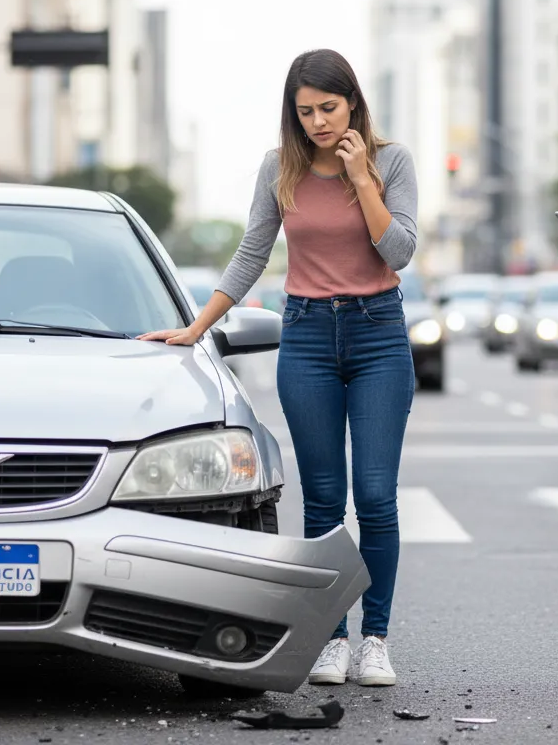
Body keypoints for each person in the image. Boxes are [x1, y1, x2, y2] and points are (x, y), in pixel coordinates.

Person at [138, 48, 418, 688]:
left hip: (378, 335)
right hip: (308, 336)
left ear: (352, 103)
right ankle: (331, 638)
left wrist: (362, 178)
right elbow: (250, 255)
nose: (318, 122)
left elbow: (397, 249)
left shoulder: (391, 160)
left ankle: (375, 637)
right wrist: (196, 327)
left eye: (329, 107)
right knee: (322, 500)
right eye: (305, 111)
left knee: (374, 497)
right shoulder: (279, 169)